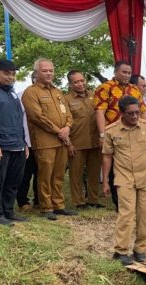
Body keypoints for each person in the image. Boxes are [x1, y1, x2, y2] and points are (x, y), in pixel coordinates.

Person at [102, 96, 146, 265]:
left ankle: (140, 249)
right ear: (122, 113)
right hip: (124, 178)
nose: (135, 116)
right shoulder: (111, 131)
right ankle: (121, 250)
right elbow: (107, 157)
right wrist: (106, 181)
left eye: (137, 112)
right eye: (130, 114)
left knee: (145, 214)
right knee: (126, 214)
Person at [22, 58, 76, 220]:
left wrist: (67, 128)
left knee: (59, 174)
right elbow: (37, 117)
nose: (49, 73)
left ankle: (58, 205)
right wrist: (57, 130)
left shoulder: (57, 92)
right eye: (45, 71)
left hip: (62, 140)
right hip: (45, 141)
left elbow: (68, 114)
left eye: (51, 70)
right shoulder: (31, 92)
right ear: (37, 73)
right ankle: (46, 207)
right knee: (45, 174)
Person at [94, 60, 146, 211]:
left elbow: (142, 112)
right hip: (114, 134)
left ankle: (137, 203)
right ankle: (120, 204)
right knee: (115, 169)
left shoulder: (135, 90)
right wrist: (102, 134)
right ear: (116, 72)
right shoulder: (105, 88)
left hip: (134, 135)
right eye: (124, 72)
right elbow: (100, 112)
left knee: (134, 167)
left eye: (129, 73)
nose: (127, 75)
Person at [0, 59, 29, 225]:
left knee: (13, 181)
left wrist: (24, 143)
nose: (10, 77)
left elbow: (18, 119)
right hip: (0, 146)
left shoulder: (12, 92)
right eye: (6, 74)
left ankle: (8, 211)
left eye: (13, 74)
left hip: (16, 144)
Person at [65, 70, 102, 208]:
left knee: (94, 173)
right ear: (70, 84)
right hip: (77, 143)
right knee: (76, 175)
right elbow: (64, 122)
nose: (80, 84)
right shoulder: (66, 99)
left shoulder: (95, 96)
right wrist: (69, 143)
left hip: (95, 142)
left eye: (82, 80)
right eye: (76, 82)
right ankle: (79, 201)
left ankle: (93, 200)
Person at [17, 71, 38, 212]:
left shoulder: (52, 95)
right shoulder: (21, 95)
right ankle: (22, 201)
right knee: (25, 174)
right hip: (27, 141)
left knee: (42, 173)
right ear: (33, 79)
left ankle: (39, 200)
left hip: (45, 142)